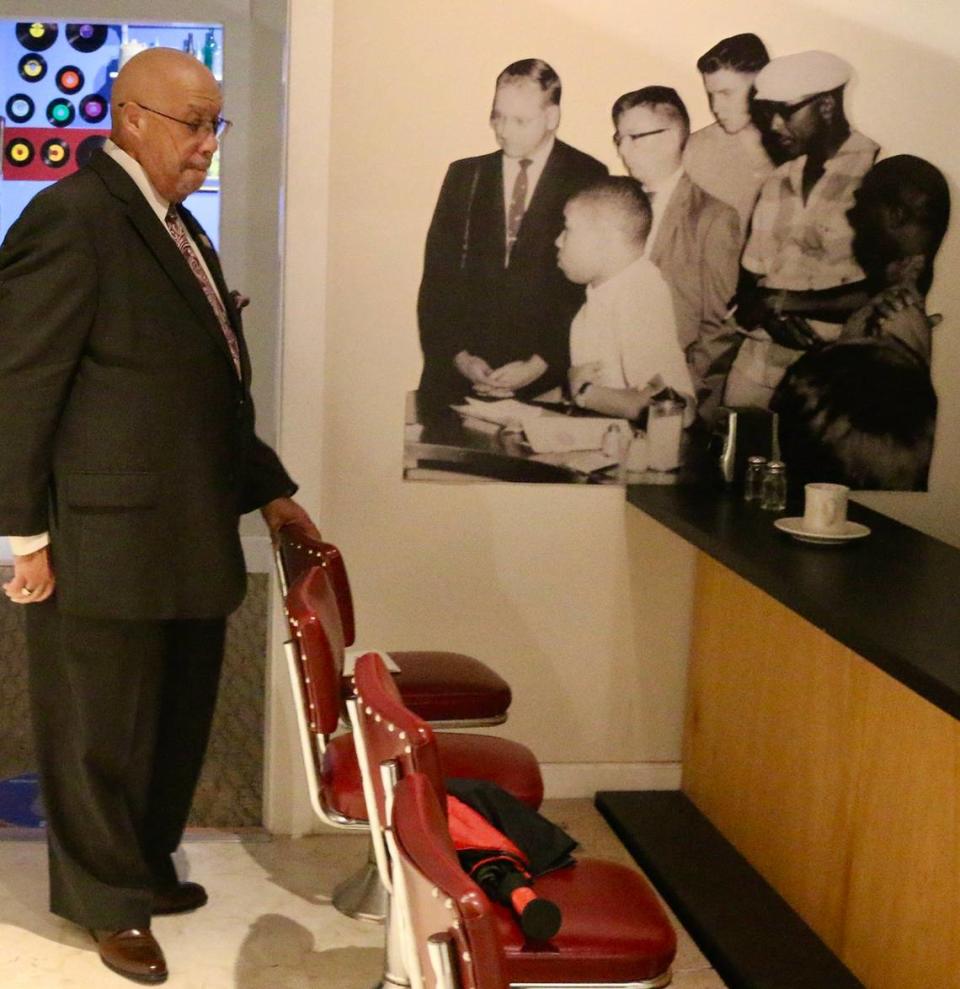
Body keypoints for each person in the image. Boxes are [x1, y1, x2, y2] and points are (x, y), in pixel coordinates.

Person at [0, 48, 317, 984]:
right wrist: (22, 535)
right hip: (99, 533)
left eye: (217, 124)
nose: (208, 144)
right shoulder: (71, 218)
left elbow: (214, 383)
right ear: (130, 117)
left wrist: (269, 485)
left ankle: (140, 866)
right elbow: (19, 388)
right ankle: (105, 903)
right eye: (193, 123)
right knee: (97, 730)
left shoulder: (178, 227)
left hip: (185, 529)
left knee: (175, 718)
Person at [417, 58, 607, 409]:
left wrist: (540, 364)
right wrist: (460, 357)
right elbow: (437, 280)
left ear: (552, 118)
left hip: (545, 382)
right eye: (497, 116)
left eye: (520, 120)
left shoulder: (588, 176)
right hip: (460, 377)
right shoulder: (464, 177)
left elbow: (586, 291)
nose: (503, 130)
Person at [771, 155, 950, 489]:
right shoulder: (903, 288)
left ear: (896, 216)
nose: (855, 215)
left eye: (866, 204)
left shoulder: (894, 313)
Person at [724, 50, 880, 409]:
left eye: (785, 111)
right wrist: (768, 315)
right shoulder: (778, 181)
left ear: (826, 105)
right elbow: (748, 291)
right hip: (758, 370)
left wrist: (780, 304)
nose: (775, 125)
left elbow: (885, 291)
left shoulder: (878, 173)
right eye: (768, 113)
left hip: (836, 382)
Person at [612, 86, 740, 422]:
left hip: (677, 401)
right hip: (615, 391)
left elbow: (720, 328)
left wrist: (677, 392)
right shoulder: (614, 207)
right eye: (619, 138)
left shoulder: (713, 218)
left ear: (671, 137)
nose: (622, 149)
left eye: (634, 137)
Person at [555, 177, 694, 420]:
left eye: (568, 229)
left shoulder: (640, 295)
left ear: (606, 239)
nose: (558, 241)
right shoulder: (604, 294)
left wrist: (583, 392)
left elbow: (676, 408)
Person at [683, 32, 776, 231]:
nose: (715, 107)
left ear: (761, 84)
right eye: (711, 95)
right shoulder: (695, 150)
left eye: (726, 93)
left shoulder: (796, 142)